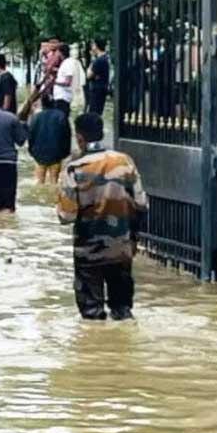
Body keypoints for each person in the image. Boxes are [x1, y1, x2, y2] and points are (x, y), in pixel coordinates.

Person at [58, 113, 149, 320]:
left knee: (92, 316)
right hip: (122, 248)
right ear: (102, 133)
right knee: (123, 312)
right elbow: (142, 203)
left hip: (88, 251)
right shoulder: (124, 162)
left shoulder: (74, 169)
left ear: (79, 137)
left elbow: (66, 216)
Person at [20, 92, 72, 184]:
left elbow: (31, 136)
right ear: (54, 103)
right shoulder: (61, 116)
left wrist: (32, 152)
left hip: (39, 154)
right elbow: (67, 135)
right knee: (54, 182)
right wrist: (65, 153)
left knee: (39, 182)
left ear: (42, 104)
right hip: (56, 154)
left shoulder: (36, 117)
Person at [52, 43, 85, 113]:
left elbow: (68, 82)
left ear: (60, 52)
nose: (56, 54)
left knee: (61, 118)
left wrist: (54, 82)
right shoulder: (65, 63)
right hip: (60, 96)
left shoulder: (68, 63)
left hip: (63, 97)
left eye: (57, 52)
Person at [85, 40, 111, 116]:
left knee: (94, 112)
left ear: (96, 46)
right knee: (98, 111)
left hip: (97, 89)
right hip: (102, 87)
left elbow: (89, 75)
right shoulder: (105, 58)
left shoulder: (99, 60)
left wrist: (90, 66)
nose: (92, 48)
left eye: (93, 45)